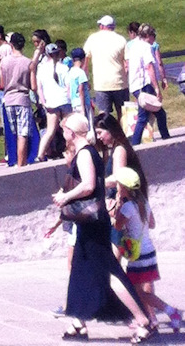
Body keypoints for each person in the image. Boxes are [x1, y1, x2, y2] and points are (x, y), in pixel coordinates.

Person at [50, 113, 148, 340]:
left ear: (71, 133)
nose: (62, 133)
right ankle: (78, 322)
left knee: (109, 273)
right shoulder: (88, 152)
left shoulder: (85, 154)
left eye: (64, 130)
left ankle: (143, 321)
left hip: (93, 225)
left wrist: (65, 197)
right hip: (90, 224)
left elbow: (88, 185)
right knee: (80, 272)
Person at [110, 162, 183, 334]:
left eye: (118, 184)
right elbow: (152, 224)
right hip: (148, 251)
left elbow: (117, 226)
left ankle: (172, 312)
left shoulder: (127, 206)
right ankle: (149, 319)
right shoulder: (143, 202)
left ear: (124, 187)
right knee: (139, 290)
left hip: (138, 256)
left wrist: (116, 209)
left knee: (137, 292)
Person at [0, 31, 34, 168]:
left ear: (11, 44)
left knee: (16, 133)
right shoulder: (28, 62)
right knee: (23, 134)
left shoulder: (4, 62)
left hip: (9, 99)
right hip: (22, 98)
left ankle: (17, 161)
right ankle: (21, 164)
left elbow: (3, 84)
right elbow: (33, 86)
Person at [85, 15, 129, 119]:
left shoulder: (93, 39)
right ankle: (122, 134)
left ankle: (107, 134)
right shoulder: (121, 39)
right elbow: (127, 63)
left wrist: (86, 80)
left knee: (103, 115)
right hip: (120, 82)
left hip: (101, 84)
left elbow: (85, 61)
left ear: (102, 26)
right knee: (122, 113)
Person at [35, 39, 70, 161]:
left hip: (51, 102)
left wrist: (43, 101)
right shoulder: (64, 68)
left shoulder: (41, 69)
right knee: (68, 127)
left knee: (50, 130)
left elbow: (39, 88)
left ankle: (40, 154)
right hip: (64, 100)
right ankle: (71, 149)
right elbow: (68, 86)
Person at [65, 47, 94, 126]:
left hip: (74, 103)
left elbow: (68, 89)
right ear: (83, 59)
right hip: (83, 103)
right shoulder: (81, 73)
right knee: (88, 126)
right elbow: (81, 90)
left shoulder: (70, 72)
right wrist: (83, 107)